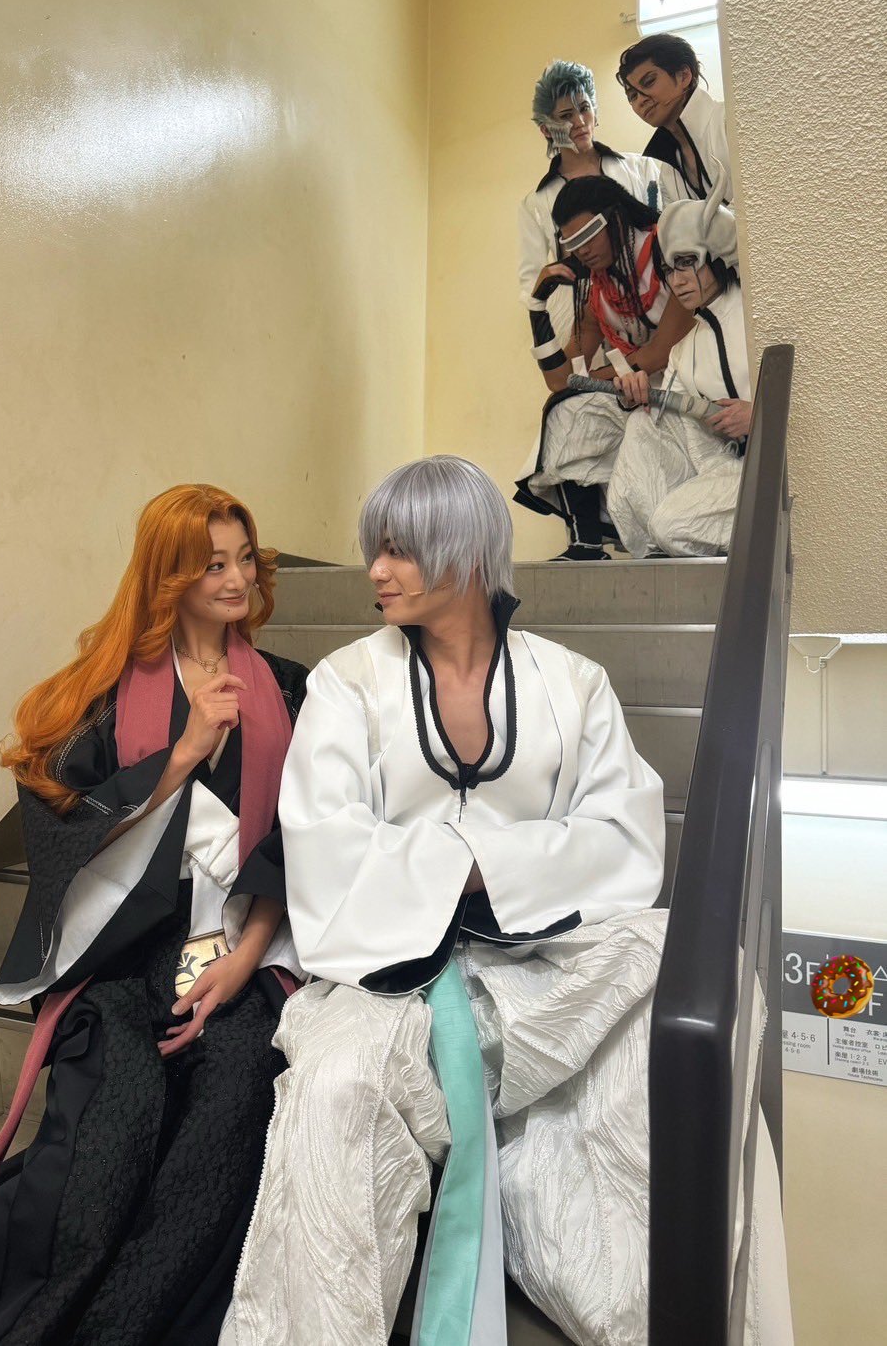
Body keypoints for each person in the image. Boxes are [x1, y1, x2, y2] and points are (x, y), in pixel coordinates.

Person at [220, 456, 791, 1346]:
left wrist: (470, 863)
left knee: (681, 962)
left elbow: (624, 834)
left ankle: (663, 1305)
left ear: (465, 551)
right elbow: (325, 844)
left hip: (540, 969)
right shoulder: (345, 683)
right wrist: (498, 858)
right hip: (386, 976)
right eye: (375, 549)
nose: (376, 570)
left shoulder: (573, 682)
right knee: (333, 1090)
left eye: (399, 550)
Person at [0, 485, 308, 1346]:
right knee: (103, 1152)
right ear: (170, 576)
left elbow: (303, 834)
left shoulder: (287, 687)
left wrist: (245, 959)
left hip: (243, 949)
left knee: (227, 1125)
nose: (238, 578)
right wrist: (181, 757)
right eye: (214, 564)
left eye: (245, 558)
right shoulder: (106, 696)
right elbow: (58, 822)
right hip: (123, 960)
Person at [514, 176, 693, 560]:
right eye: (572, 243)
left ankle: (664, 541)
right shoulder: (597, 291)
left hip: (694, 392)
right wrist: (537, 309)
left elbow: (659, 353)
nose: (582, 250)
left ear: (616, 217)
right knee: (567, 411)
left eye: (588, 235)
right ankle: (586, 544)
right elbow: (560, 382)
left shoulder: (668, 249)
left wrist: (590, 380)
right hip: (636, 395)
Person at [608, 171, 753, 557]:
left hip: (787, 464)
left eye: (688, 263)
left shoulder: (760, 315)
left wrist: (761, 415)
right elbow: (669, 429)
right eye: (670, 270)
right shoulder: (683, 351)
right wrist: (636, 395)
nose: (678, 280)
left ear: (716, 254)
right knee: (643, 422)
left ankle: (668, 536)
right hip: (727, 469)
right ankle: (654, 546)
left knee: (672, 524)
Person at [519, 60, 662, 379]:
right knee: (579, 397)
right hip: (584, 326)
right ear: (546, 129)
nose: (579, 121)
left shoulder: (643, 170)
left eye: (584, 108)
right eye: (565, 116)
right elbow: (533, 284)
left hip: (655, 312)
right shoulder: (536, 205)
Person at [617, 32, 731, 204]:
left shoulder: (730, 122)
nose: (640, 100)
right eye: (632, 96)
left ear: (684, 75)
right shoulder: (667, 172)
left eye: (648, 82)